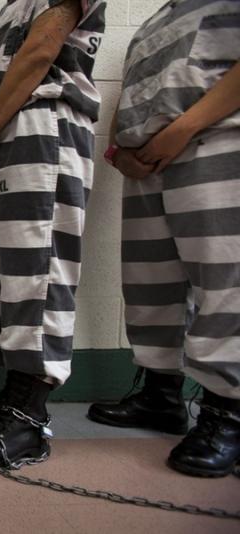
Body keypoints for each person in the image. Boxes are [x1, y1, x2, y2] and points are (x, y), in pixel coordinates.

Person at [88, 0, 240, 478]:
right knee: (151, 283)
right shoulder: (160, 15)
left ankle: (228, 414)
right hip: (148, 163)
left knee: (223, 283)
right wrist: (120, 149)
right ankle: (160, 394)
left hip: (215, 140)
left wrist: (183, 129)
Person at [0, 0, 106, 466]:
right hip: (13, 127)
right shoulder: (11, 8)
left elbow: (41, 52)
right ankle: (14, 394)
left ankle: (29, 416)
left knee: (41, 272)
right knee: (15, 276)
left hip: (47, 122)